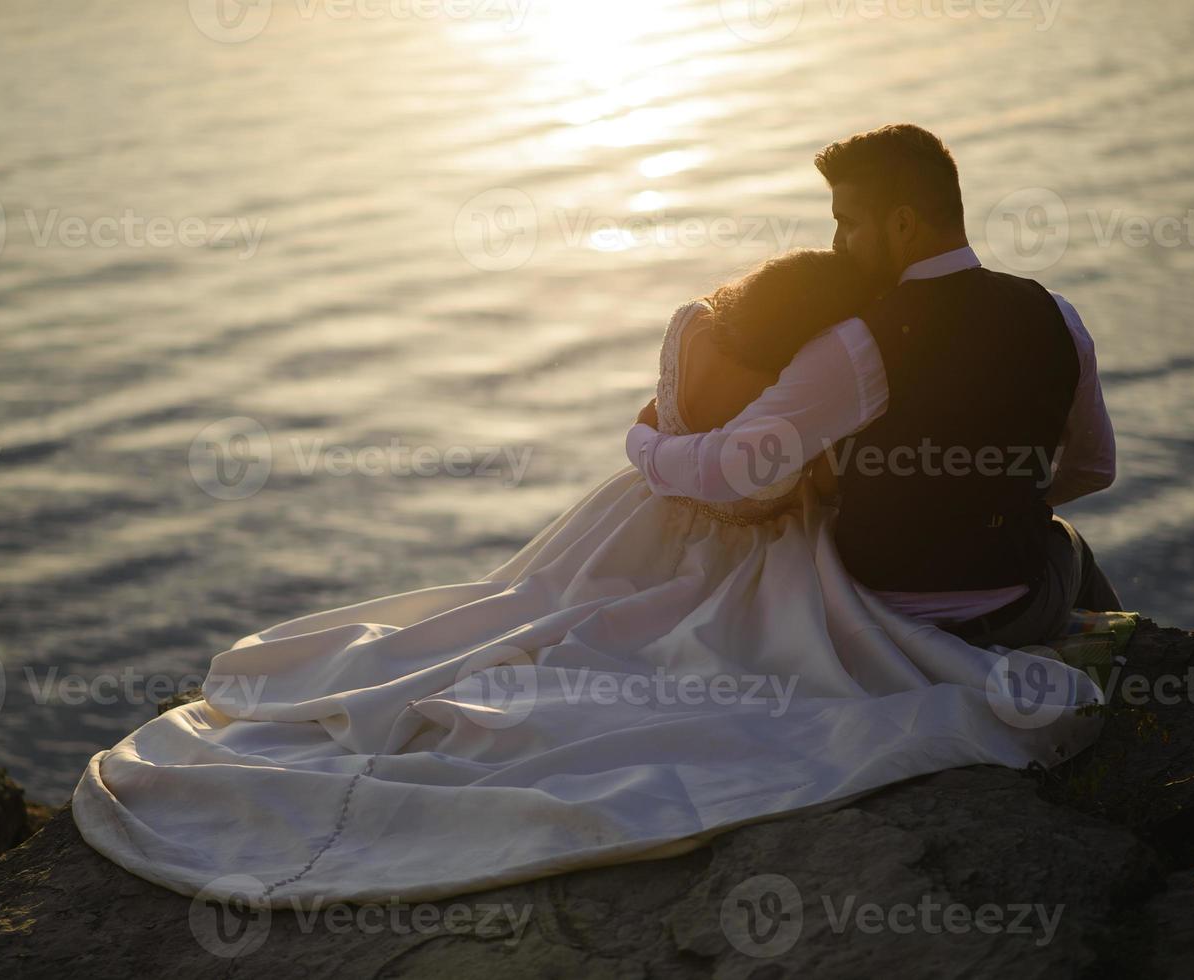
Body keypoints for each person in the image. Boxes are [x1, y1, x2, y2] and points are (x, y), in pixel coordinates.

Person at [73, 242, 1102, 910]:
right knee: (668, 660)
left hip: (642, 518)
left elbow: (675, 435)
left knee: (536, 622)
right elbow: (763, 476)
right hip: (742, 532)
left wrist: (662, 449)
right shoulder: (834, 369)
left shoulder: (698, 329)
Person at [629, 123, 1121, 651]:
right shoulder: (1056, 315)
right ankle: (1121, 653)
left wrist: (645, 447)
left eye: (848, 224)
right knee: (1069, 549)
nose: (838, 244)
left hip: (885, 616)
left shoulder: (860, 343)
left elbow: (734, 468)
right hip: (1021, 607)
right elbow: (1094, 469)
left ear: (904, 224)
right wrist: (1006, 498)